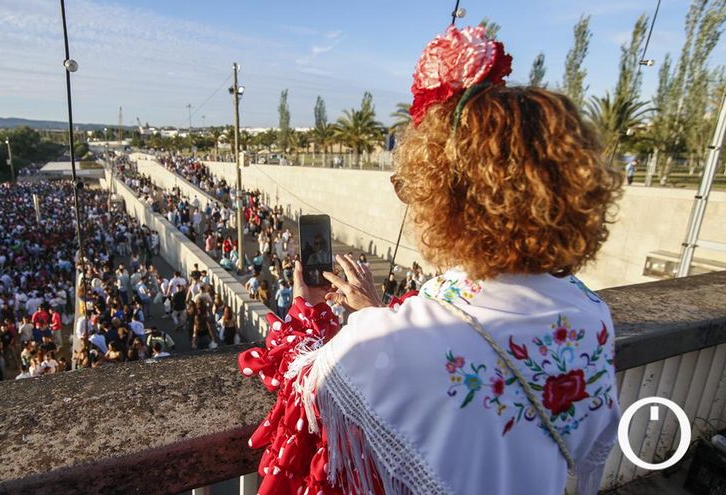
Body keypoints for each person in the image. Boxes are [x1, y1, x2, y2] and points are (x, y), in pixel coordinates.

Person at [238, 26, 622, 495]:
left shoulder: (395, 339)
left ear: (446, 197)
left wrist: (309, 310)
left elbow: (299, 387)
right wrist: (377, 317)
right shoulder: (590, 316)